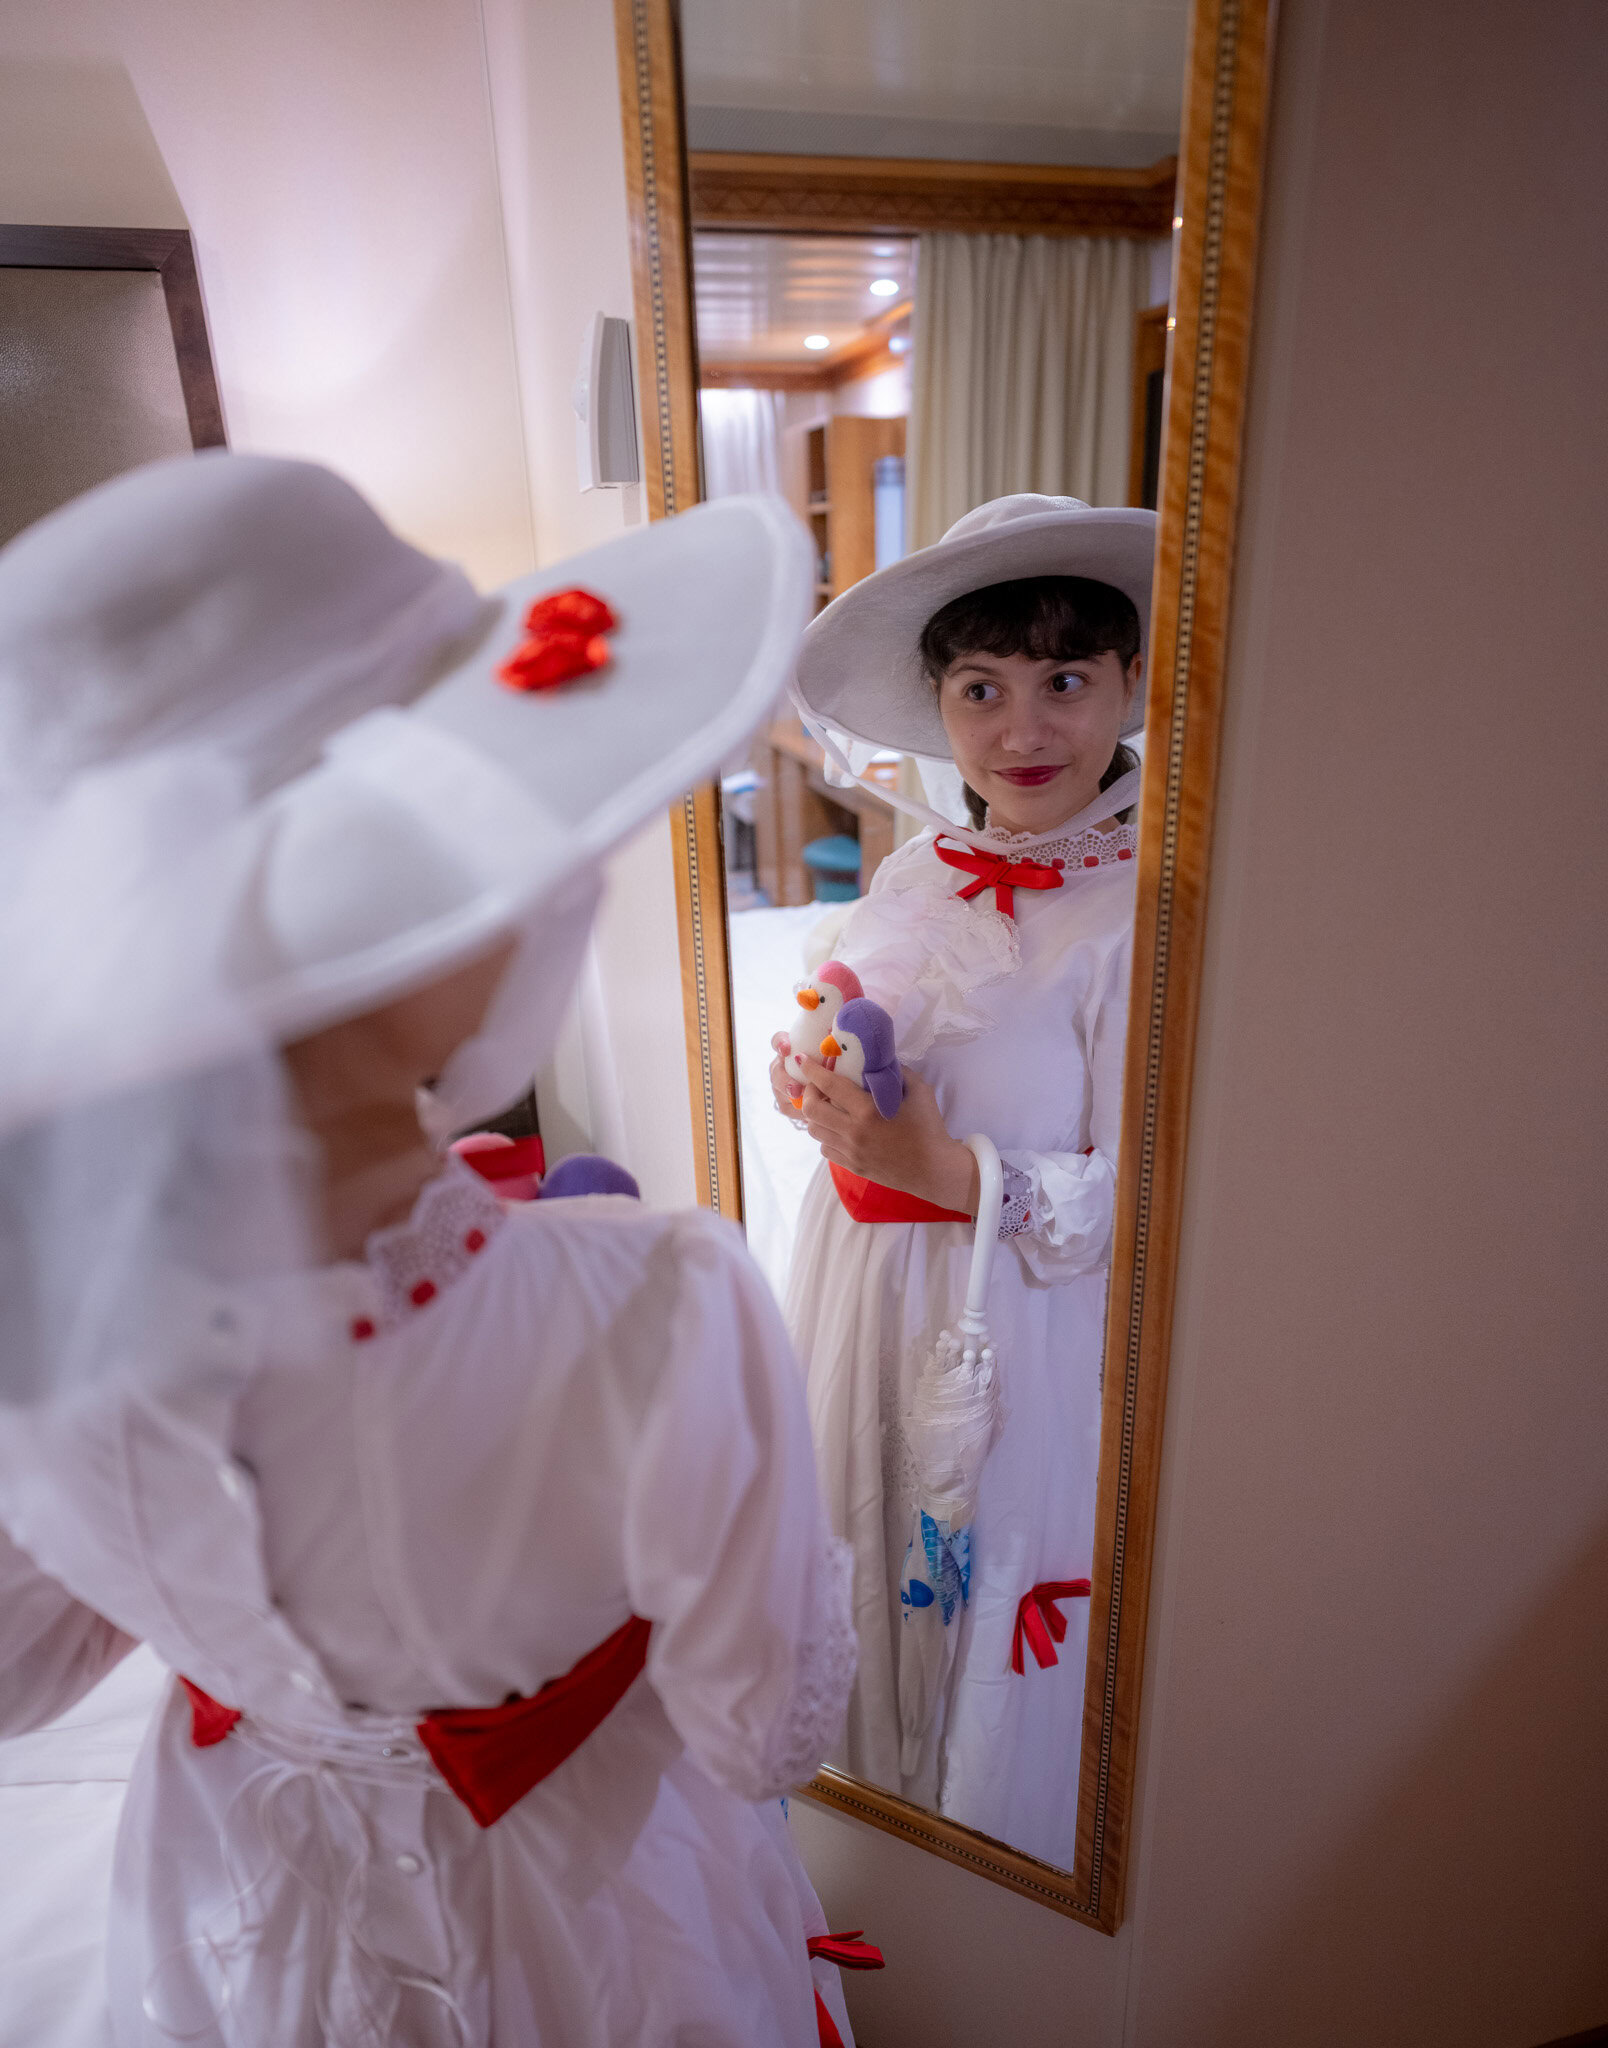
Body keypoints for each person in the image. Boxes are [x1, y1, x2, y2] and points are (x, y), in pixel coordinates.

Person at [0, 452, 860, 2046]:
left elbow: (21, 1670)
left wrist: (231, 1602)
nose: (543, 874)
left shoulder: (40, 1331)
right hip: (585, 1921)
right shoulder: (657, 1304)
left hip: (240, 1921)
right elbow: (765, 1729)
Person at [772, 495, 1154, 1870]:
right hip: (860, 1286)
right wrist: (811, 1070)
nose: (1022, 731)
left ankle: (980, 1892)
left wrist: (946, 1171)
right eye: (980, 689)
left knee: (972, 1591)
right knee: (851, 1545)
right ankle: (853, 1846)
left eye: (1065, 682)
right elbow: (863, 1013)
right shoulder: (916, 866)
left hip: (1014, 1320)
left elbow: (1157, 1193)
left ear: (1125, 685)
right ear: (939, 708)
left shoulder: (1141, 910)